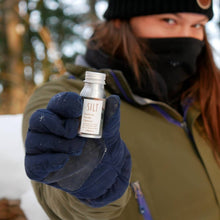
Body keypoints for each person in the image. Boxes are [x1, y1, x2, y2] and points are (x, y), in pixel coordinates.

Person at [22, 0, 220, 219]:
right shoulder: (70, 99)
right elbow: (61, 199)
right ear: (119, 21)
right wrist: (87, 190)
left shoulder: (208, 92)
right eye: (169, 20)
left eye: (198, 25)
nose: (187, 36)